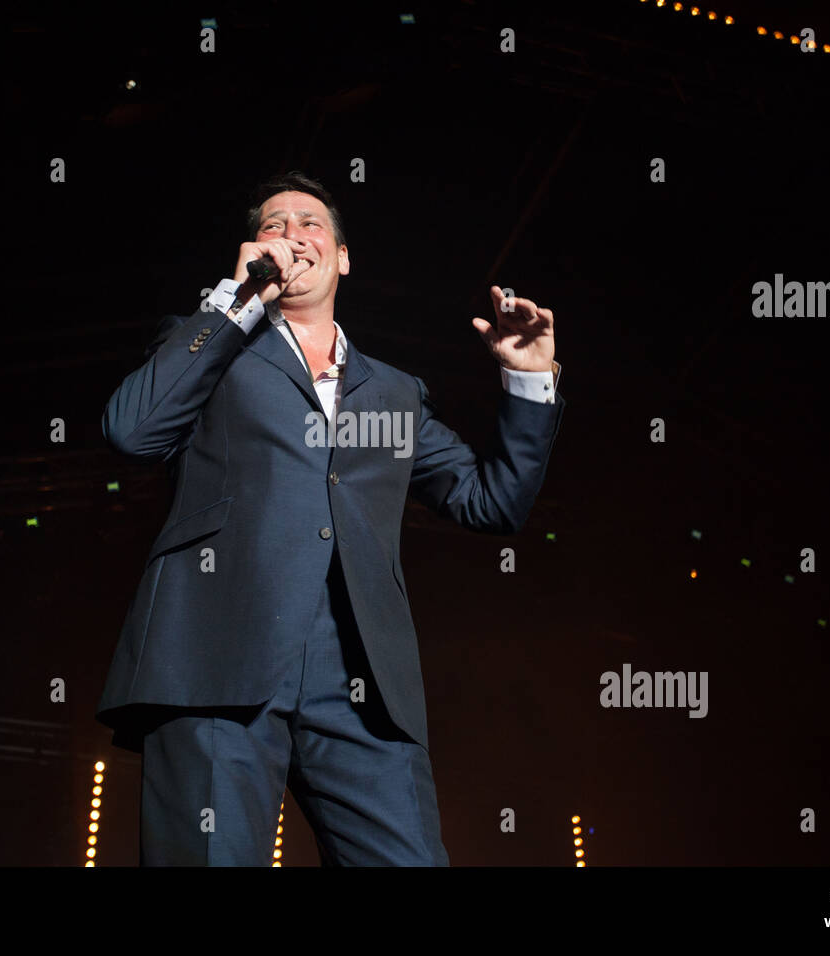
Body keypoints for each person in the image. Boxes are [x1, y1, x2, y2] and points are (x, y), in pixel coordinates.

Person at [96, 171, 564, 865]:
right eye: (274, 225)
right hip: (214, 658)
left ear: (342, 256)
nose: (291, 234)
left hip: (361, 680)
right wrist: (235, 306)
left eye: (309, 223)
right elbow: (131, 433)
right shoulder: (211, 348)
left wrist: (528, 379)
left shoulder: (394, 392)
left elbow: (491, 502)